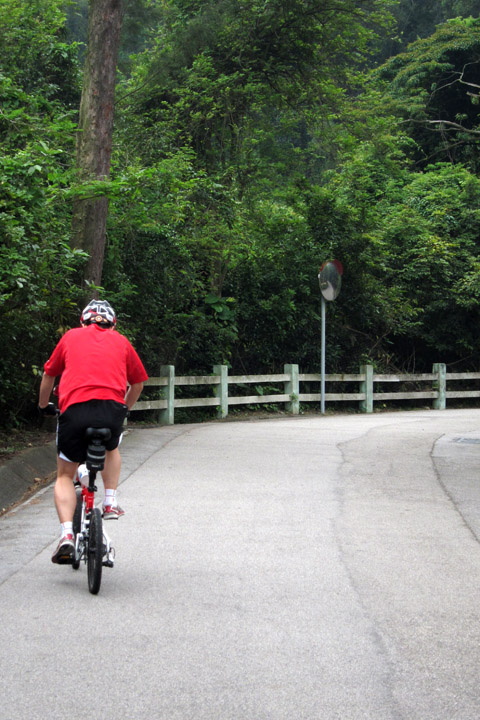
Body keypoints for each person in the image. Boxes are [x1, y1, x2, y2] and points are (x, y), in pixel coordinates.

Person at [38, 299, 148, 564]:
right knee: (111, 447)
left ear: (83, 320)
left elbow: (49, 375)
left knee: (64, 475)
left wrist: (43, 406)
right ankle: (109, 501)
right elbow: (139, 382)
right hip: (111, 410)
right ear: (112, 323)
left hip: (74, 410)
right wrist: (124, 410)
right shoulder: (121, 341)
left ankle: (66, 535)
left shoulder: (70, 337)